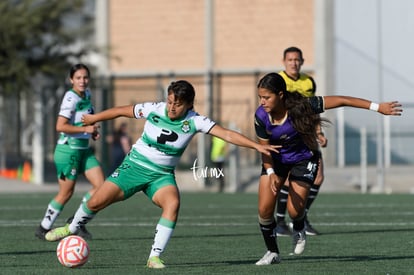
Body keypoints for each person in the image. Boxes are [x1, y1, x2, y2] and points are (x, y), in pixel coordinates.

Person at [44, 80, 279, 269]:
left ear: (189, 104)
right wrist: (95, 118)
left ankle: (154, 257)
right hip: (133, 167)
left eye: (177, 103)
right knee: (95, 202)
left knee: (173, 203)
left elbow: (226, 134)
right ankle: (72, 227)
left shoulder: (194, 121)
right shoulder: (154, 109)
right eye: (169, 101)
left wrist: (257, 146)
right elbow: (122, 111)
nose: (171, 107)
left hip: (161, 175)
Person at [254, 72, 402, 265]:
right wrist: (272, 172)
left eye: (267, 97)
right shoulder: (260, 115)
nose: (262, 102)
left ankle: (298, 228)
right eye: (260, 97)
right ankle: (272, 252)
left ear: (281, 94)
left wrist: (377, 107)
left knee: (294, 211)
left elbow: (342, 100)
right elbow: (263, 148)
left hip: (303, 158)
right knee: (264, 210)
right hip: (276, 160)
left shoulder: (303, 106)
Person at [35, 64, 105, 240]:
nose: (82, 81)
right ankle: (43, 228)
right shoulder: (70, 97)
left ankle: (76, 220)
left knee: (101, 186)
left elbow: (84, 123)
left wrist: (92, 130)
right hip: (68, 151)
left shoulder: (87, 94)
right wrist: (85, 131)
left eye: (85, 77)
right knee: (66, 193)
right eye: (79, 78)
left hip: (84, 150)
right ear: (71, 80)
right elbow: (60, 126)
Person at [276, 46, 327, 236]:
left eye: (297, 60)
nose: (294, 63)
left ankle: (301, 218)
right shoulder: (278, 81)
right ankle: (280, 222)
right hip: (286, 136)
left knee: (318, 176)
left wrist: (319, 132)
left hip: (307, 135)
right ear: (284, 62)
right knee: (290, 179)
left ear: (302, 61)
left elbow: (313, 110)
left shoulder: (308, 82)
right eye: (290, 60)